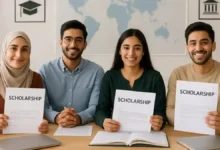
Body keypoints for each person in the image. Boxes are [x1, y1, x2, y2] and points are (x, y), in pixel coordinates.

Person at [95, 28, 167, 132]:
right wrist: (103, 121)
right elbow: (100, 110)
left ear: (143, 52)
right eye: (126, 47)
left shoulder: (155, 77)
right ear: (119, 51)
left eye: (137, 48)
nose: (131, 53)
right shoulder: (109, 76)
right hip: (115, 133)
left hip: (147, 134)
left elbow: (161, 111)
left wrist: (159, 120)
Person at [39, 20, 104, 127]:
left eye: (78, 40)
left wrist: (79, 118)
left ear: (85, 44)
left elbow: (95, 106)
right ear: (60, 43)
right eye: (68, 39)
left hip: (86, 127)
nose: (73, 45)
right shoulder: (45, 70)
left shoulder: (96, 71)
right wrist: (57, 117)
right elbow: (42, 106)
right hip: (53, 127)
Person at [166, 22, 220, 133]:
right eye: (193, 43)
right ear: (187, 47)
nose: (198, 48)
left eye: (204, 42)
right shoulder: (178, 74)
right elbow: (169, 109)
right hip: (184, 136)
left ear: (213, 46)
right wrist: (192, 123)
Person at [0, 31, 48, 133]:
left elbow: (40, 115)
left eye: (24, 49)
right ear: (5, 50)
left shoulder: (36, 78)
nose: (19, 55)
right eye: (13, 48)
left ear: (29, 53)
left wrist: (42, 124)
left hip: (28, 139)